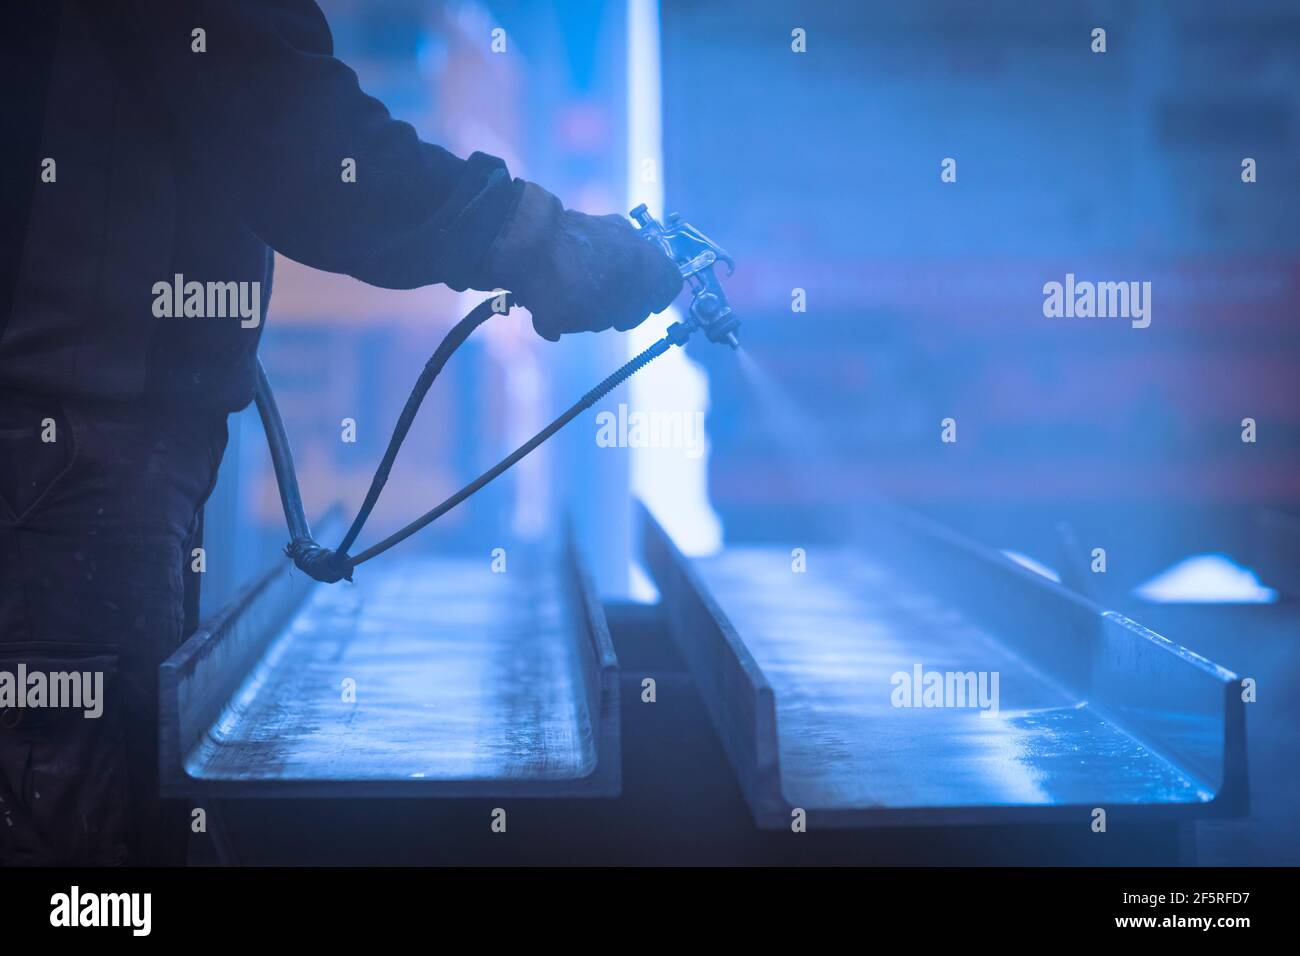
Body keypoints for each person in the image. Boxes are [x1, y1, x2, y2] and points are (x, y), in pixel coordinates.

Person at [0, 1, 681, 866]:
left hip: (82, 455)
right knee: (88, 842)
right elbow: (286, 127)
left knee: (119, 808)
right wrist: (531, 237)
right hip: (59, 457)